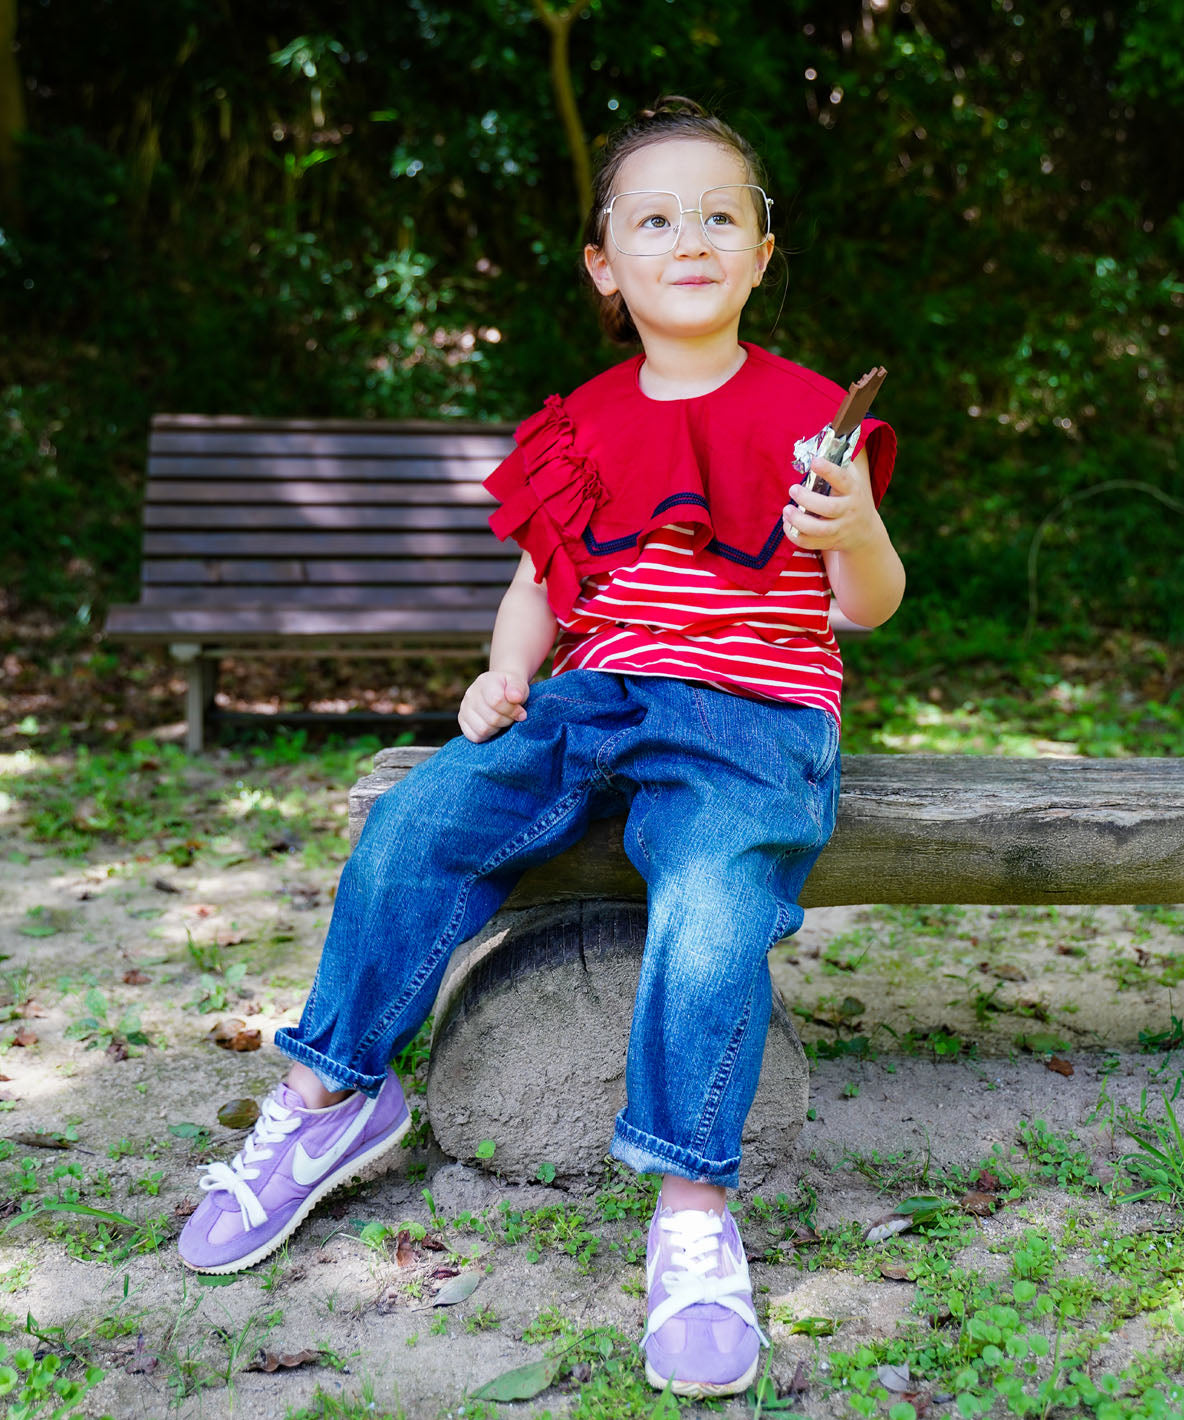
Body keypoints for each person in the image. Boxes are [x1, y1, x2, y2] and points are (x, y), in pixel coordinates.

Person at [178, 94, 904, 1400]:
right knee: (418, 825)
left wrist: (850, 527)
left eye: (720, 216)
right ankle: (332, 1097)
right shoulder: (582, 423)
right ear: (606, 264)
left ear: (760, 252)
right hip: (593, 702)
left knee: (713, 910)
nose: (691, 236)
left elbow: (868, 606)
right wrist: (506, 673)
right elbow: (543, 582)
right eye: (656, 217)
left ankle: (692, 1210)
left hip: (751, 727)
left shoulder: (809, 418)